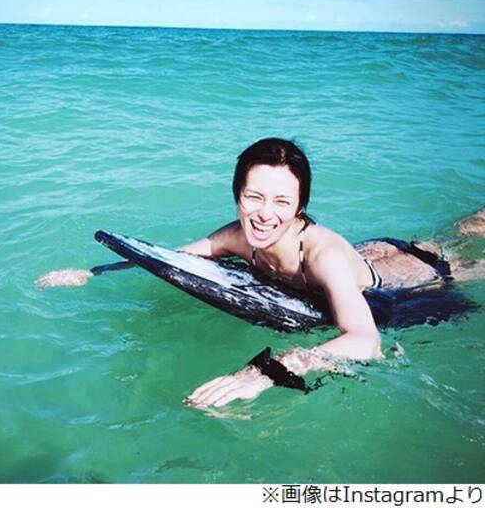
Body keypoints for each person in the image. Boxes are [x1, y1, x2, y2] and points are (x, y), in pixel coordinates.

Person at [36, 138, 485, 409]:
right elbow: (175, 258)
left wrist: (265, 372)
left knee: (457, 258)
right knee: (443, 237)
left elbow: (365, 340)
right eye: (254, 197)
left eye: (282, 202)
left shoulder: (323, 254)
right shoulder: (237, 235)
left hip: (404, 278)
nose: (265, 214)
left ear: (300, 207)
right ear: (237, 194)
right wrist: (93, 272)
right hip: (369, 253)